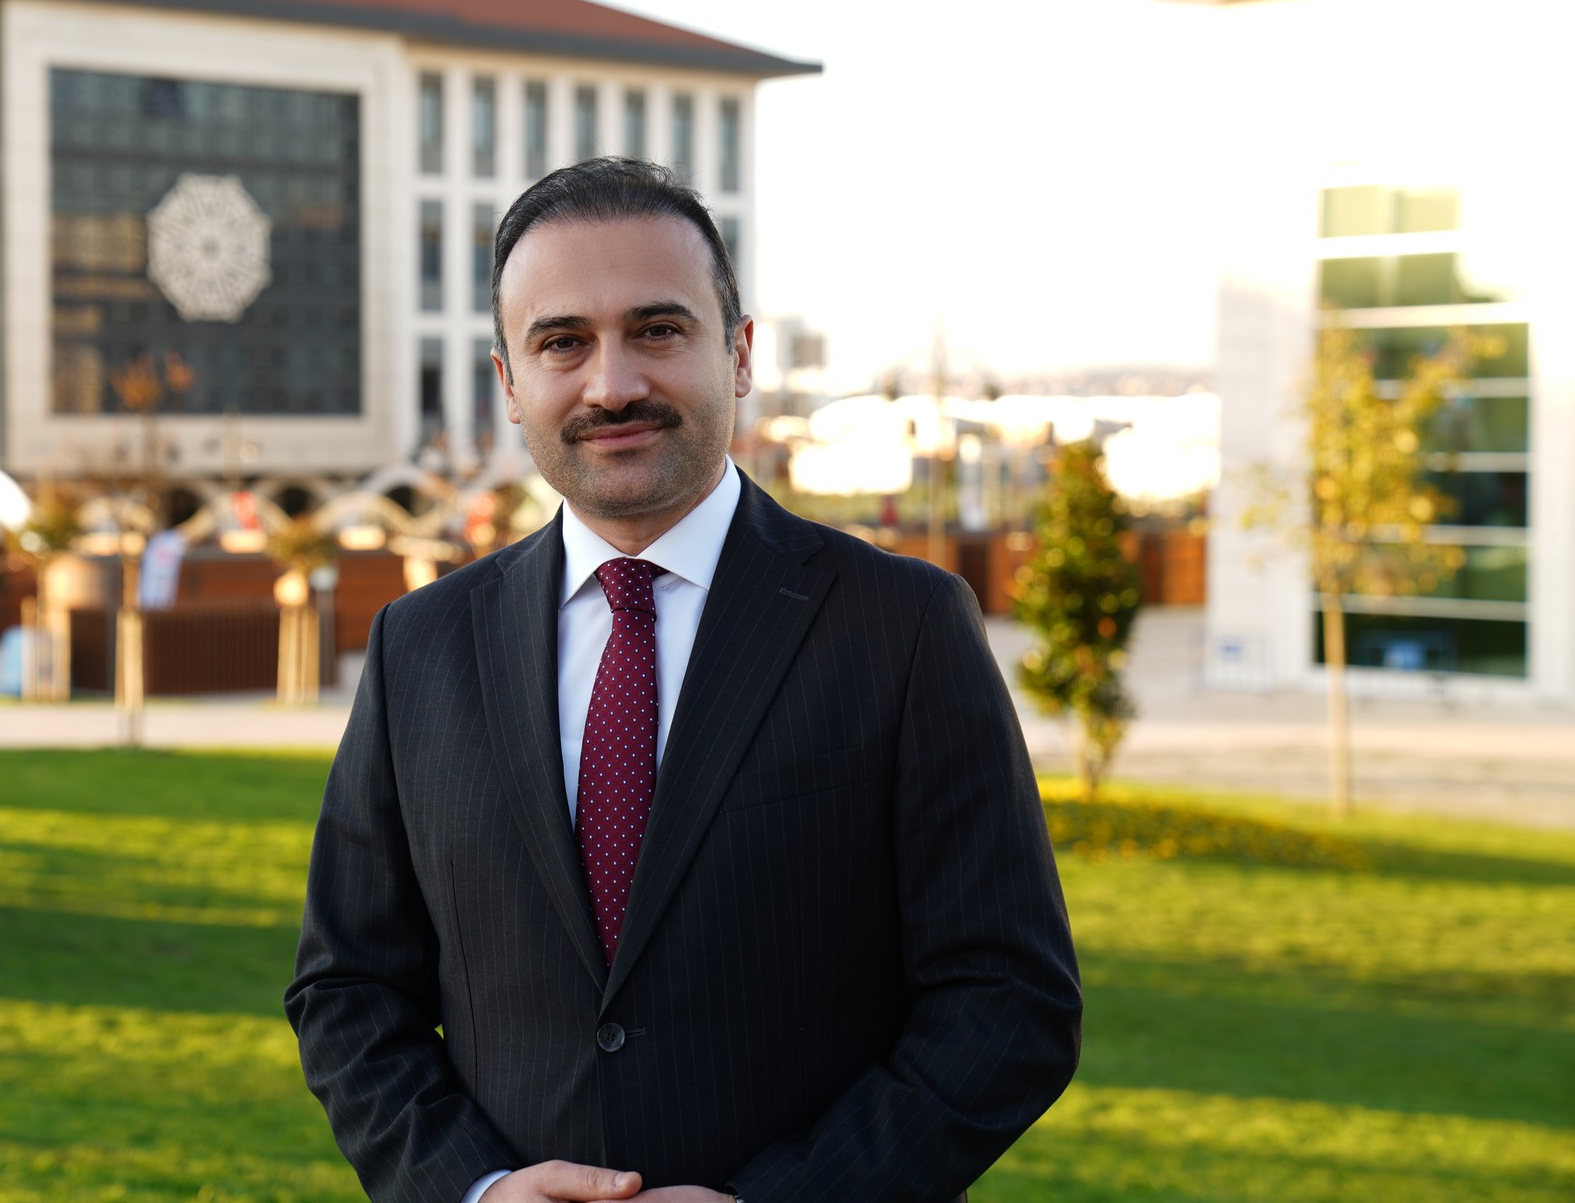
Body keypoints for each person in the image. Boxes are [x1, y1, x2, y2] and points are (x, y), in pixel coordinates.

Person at [287, 158, 1079, 1203]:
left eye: (656, 330)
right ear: (509, 385)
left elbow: (1007, 999)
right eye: (562, 342)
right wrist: (471, 1189)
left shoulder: (902, 627)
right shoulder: (419, 646)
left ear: (739, 355)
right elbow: (347, 986)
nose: (611, 384)